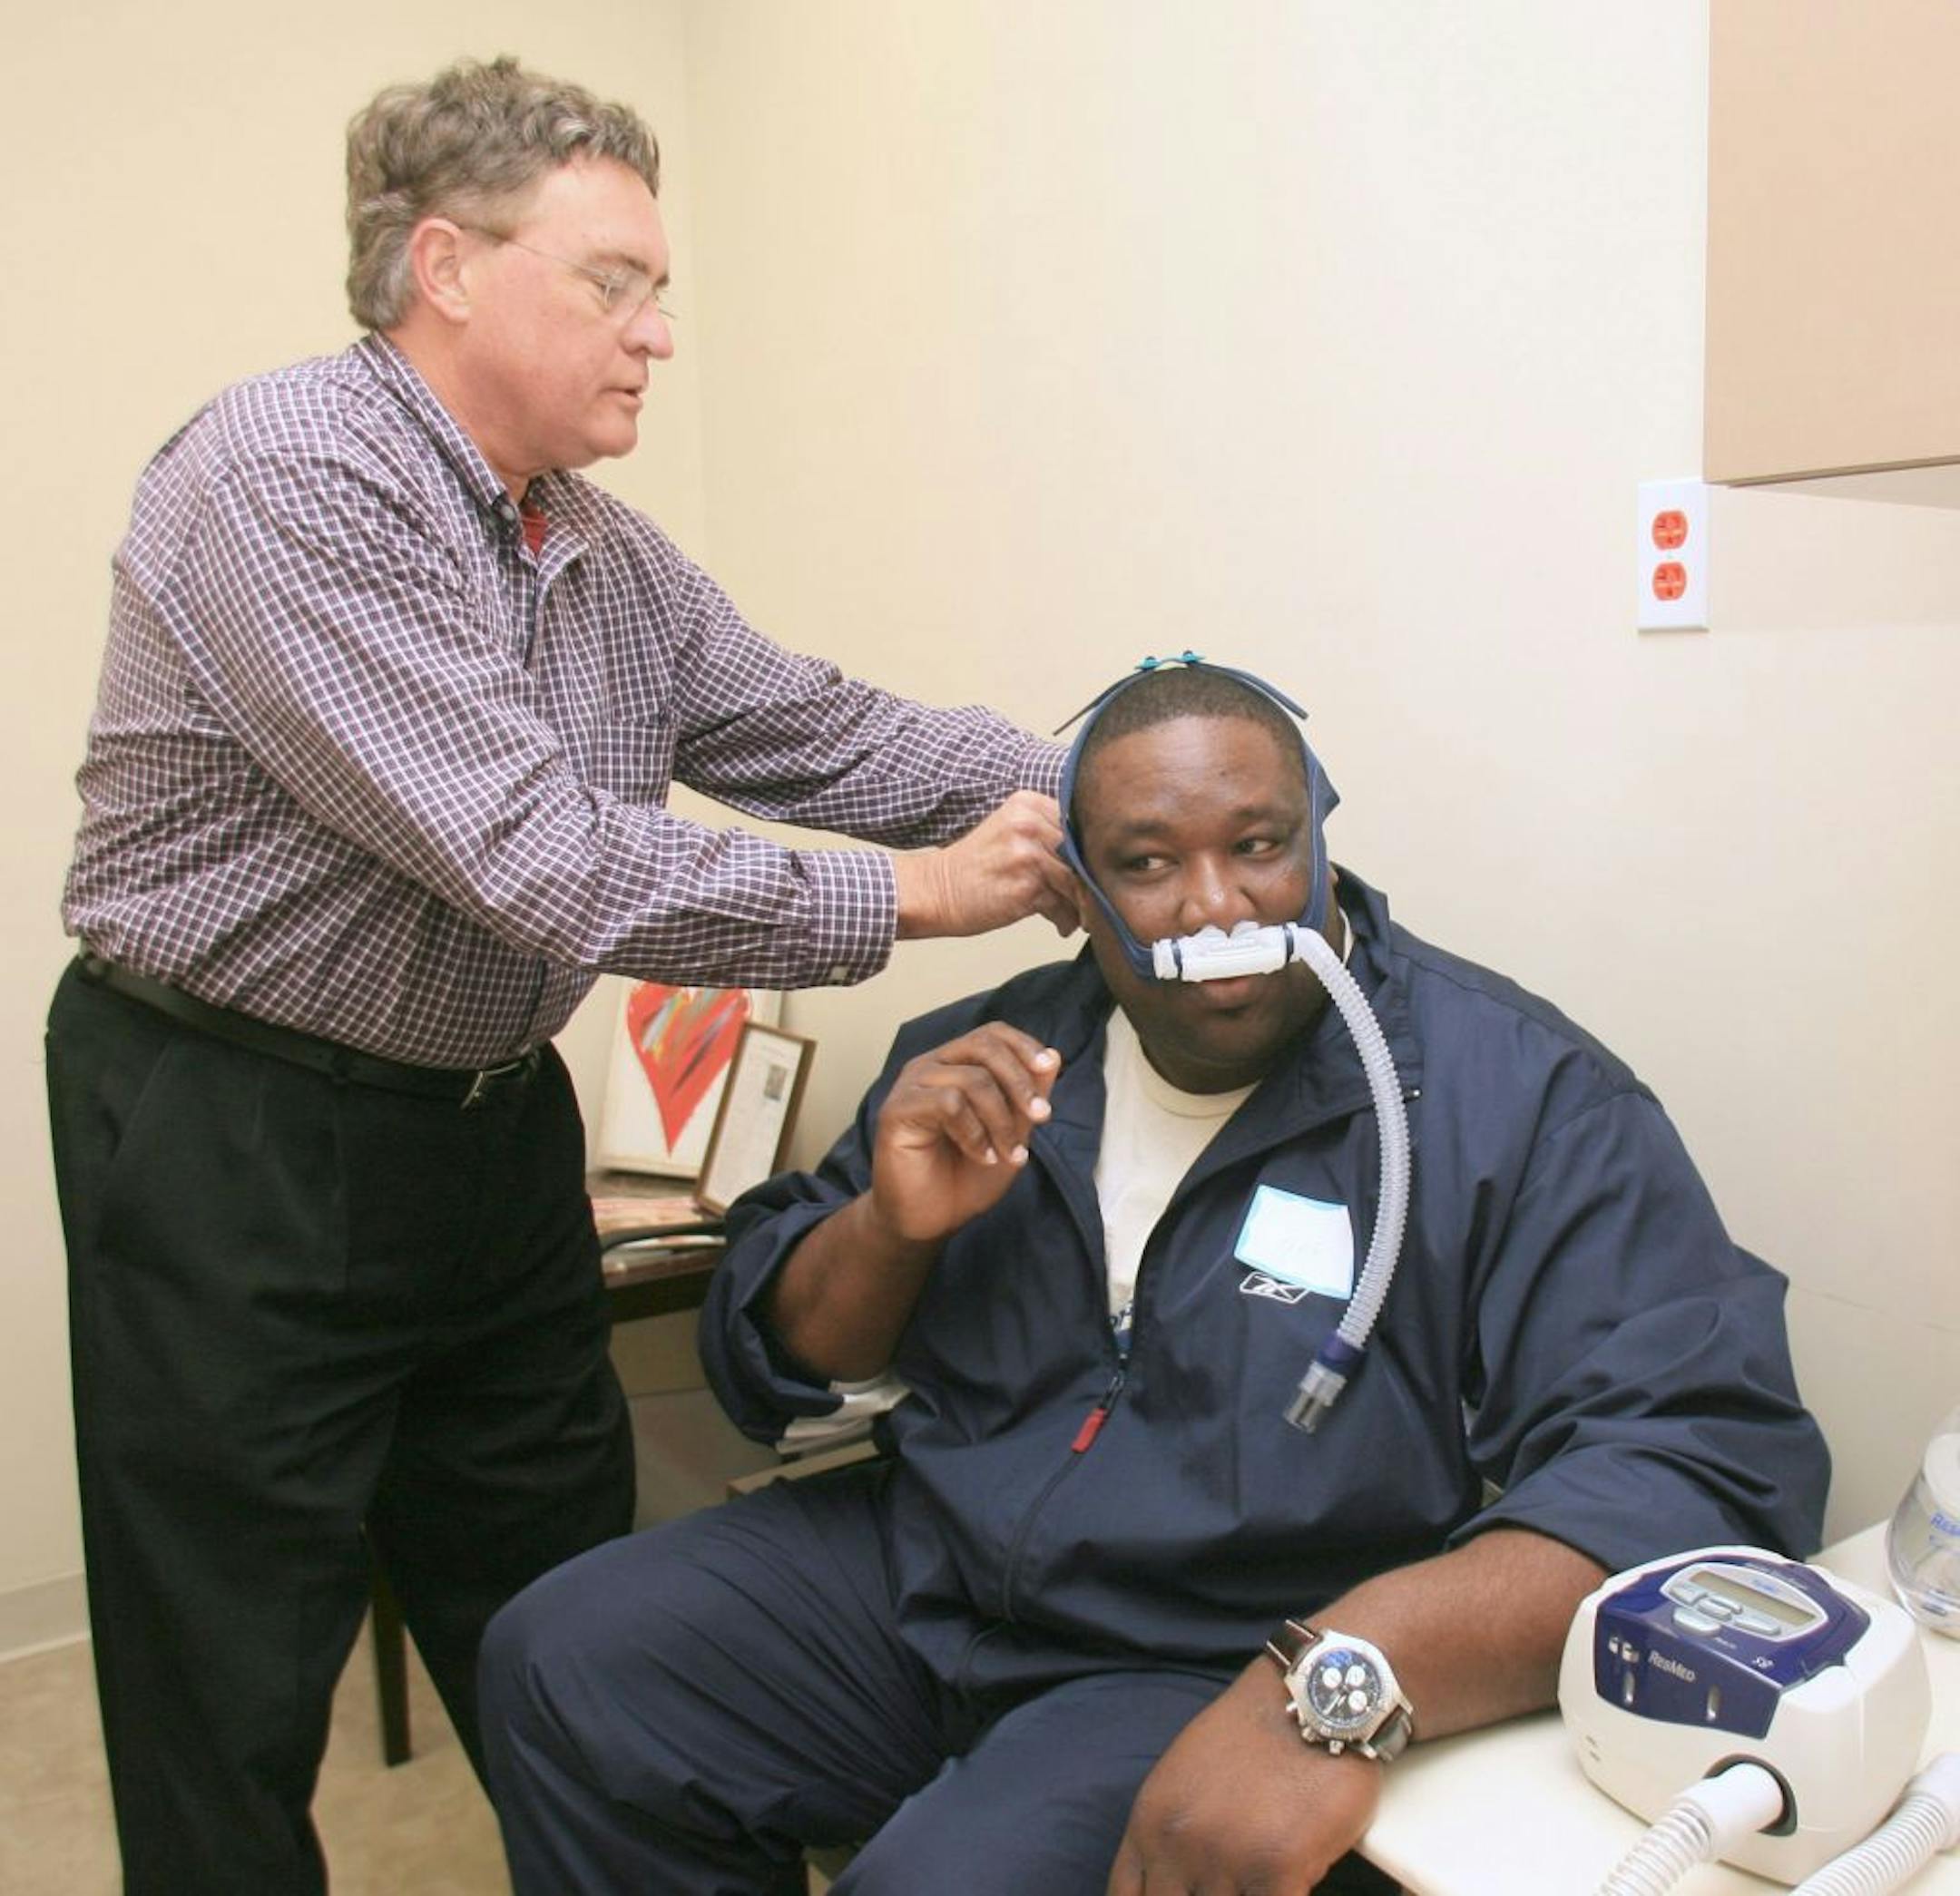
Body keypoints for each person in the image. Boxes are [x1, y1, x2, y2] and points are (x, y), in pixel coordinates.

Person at [44, 54, 1076, 1896]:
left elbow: (817, 727)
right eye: (614, 282)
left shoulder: (593, 546)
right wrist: (918, 899)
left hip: (484, 1134)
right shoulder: (289, 479)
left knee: (573, 1625)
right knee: (228, 1683)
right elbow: (542, 858)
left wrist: (1097, 779)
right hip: (238, 1136)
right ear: (443, 267)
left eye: (660, 289)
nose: (659, 333)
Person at [477, 656, 1831, 1894]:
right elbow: (767, 1363)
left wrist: (1339, 1677)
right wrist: (890, 1228)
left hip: (1215, 1644)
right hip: (926, 1566)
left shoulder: (1509, 1097)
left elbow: (1697, 1457)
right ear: (1073, 880)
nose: (1217, 906)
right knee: (569, 1658)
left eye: (1259, 848)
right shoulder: (986, 1053)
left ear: (1317, 840)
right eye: (1148, 861)